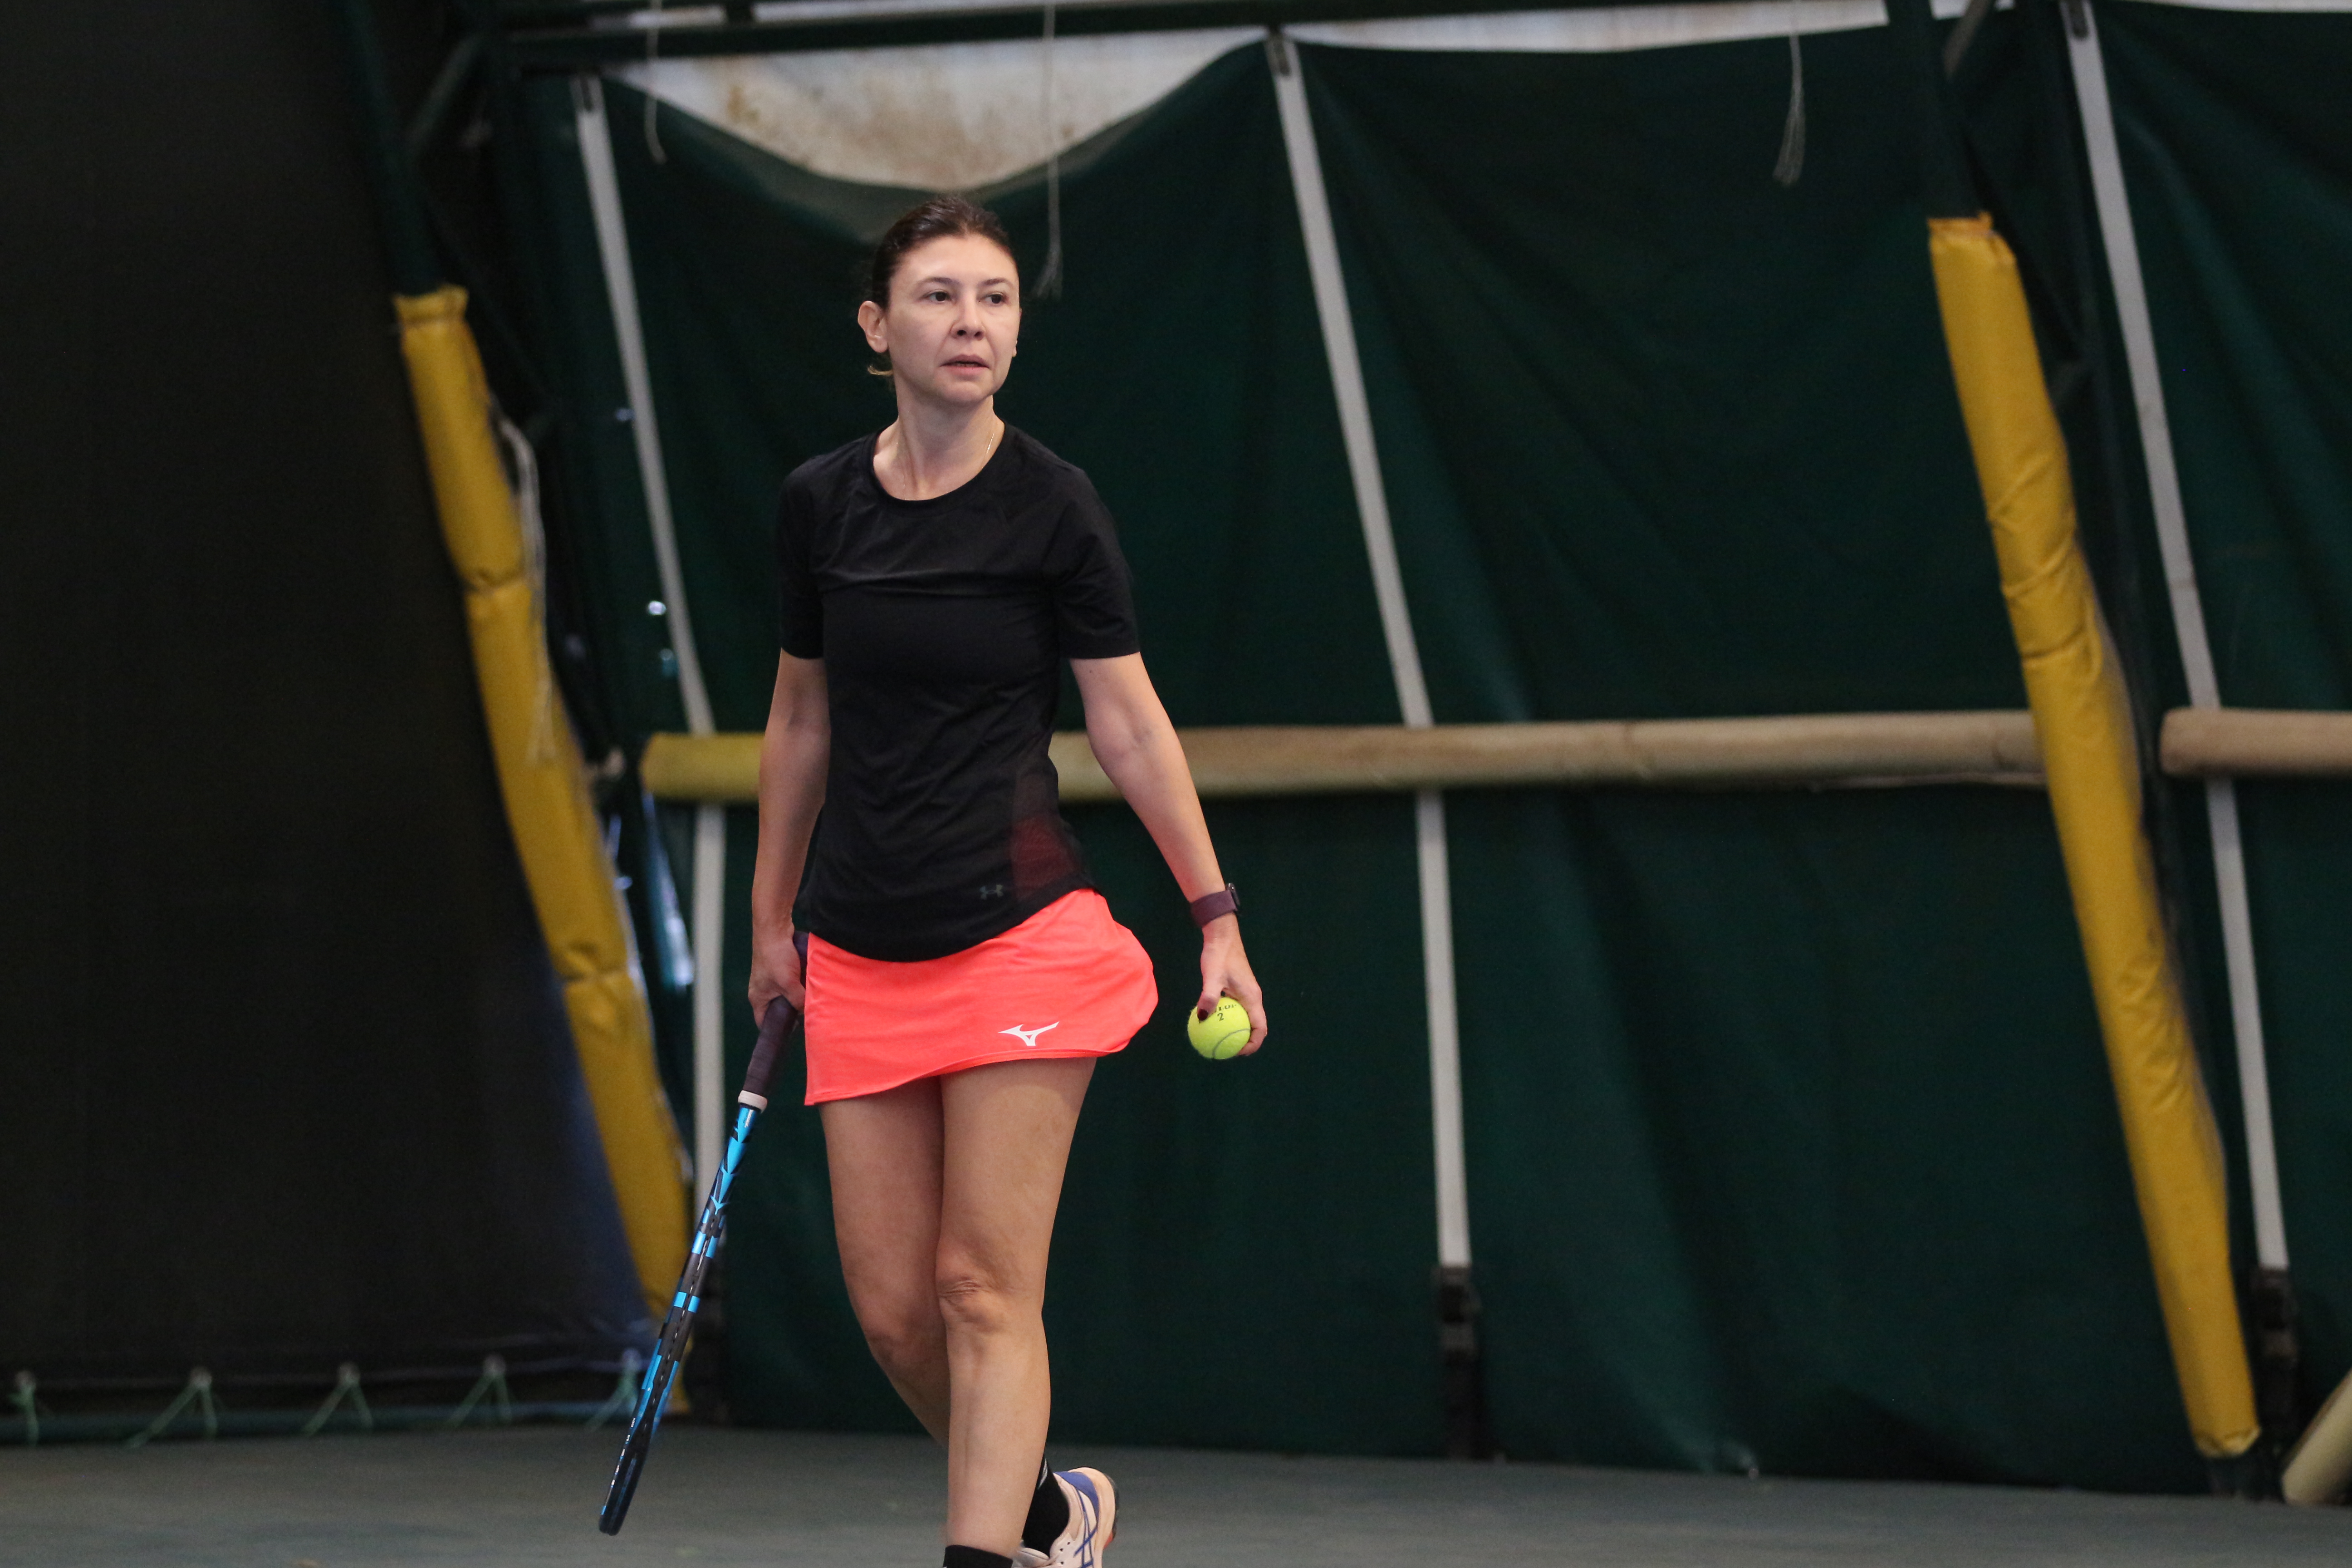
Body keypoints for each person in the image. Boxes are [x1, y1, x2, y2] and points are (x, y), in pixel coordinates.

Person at [747, 194, 1269, 1568]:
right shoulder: (819, 505)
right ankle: (1050, 1513)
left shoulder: (1054, 504)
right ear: (879, 328)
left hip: (1021, 935)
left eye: (995, 299)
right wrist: (768, 919)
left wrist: (1216, 916)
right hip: (858, 944)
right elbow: (801, 719)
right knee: (896, 1318)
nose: (970, 322)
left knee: (982, 1288)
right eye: (938, 297)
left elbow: (1129, 724)